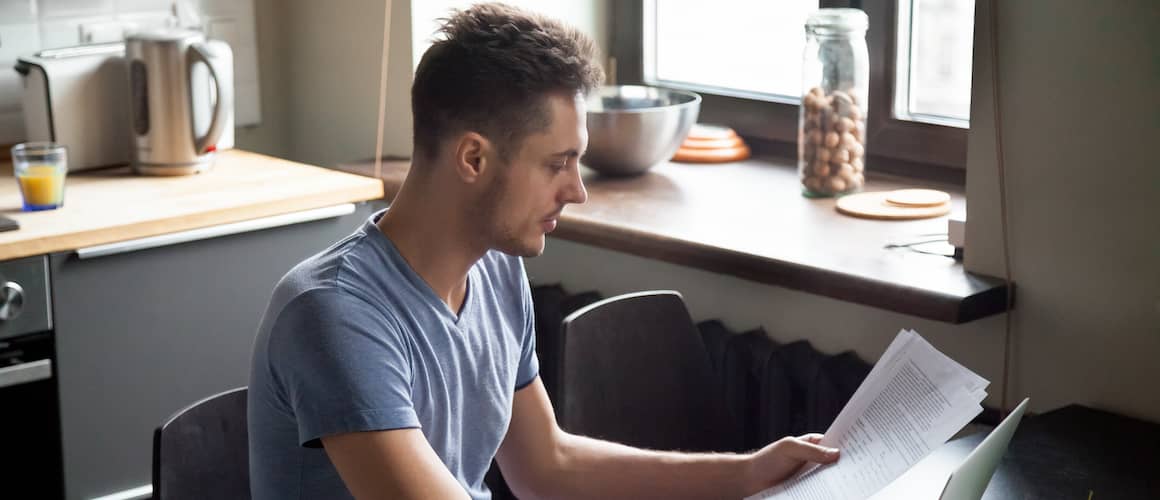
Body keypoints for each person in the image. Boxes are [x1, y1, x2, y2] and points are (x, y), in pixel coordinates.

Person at [248, 3, 840, 499]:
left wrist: (748, 471)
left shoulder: (497, 270)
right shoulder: (334, 314)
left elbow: (548, 465)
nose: (577, 190)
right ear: (474, 159)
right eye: (557, 163)